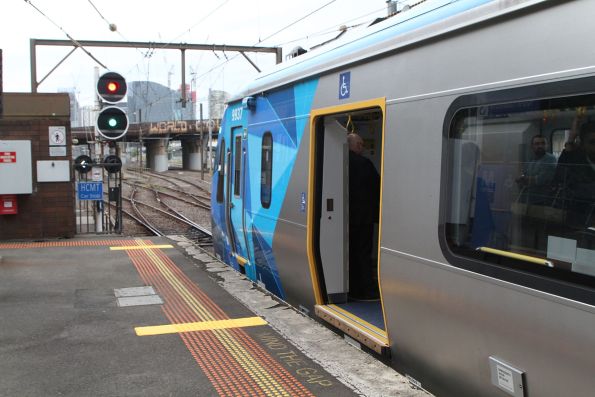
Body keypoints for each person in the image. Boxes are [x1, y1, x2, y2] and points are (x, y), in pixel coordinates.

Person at [347, 133, 380, 300]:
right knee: (364, 254)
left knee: (351, 253)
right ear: (352, 145)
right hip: (364, 218)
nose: (362, 148)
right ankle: (367, 289)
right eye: (360, 144)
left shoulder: (340, 162)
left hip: (346, 218)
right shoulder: (364, 164)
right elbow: (378, 186)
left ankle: (351, 287)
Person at [516, 135, 557, 204]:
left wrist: (524, 179)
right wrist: (522, 179)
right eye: (537, 144)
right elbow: (524, 174)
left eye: (543, 143)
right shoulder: (531, 159)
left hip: (544, 200)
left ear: (547, 145)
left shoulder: (550, 159)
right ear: (532, 146)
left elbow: (542, 179)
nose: (540, 146)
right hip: (529, 199)